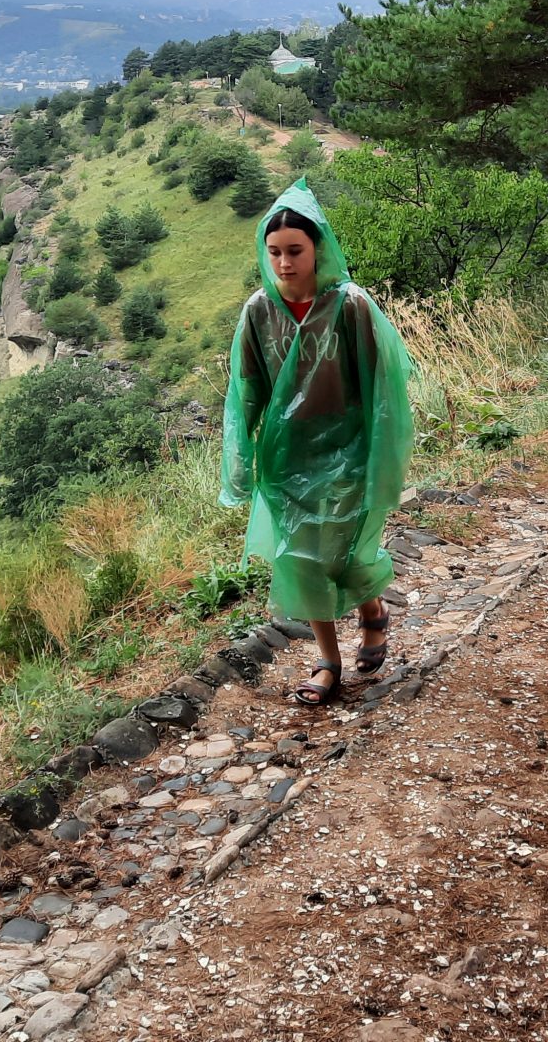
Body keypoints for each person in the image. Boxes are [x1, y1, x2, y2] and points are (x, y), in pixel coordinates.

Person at [221, 179, 415, 706]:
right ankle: (328, 661)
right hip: (287, 455)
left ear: (318, 248)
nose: (285, 263)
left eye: (295, 251)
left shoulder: (350, 305)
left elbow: (381, 386)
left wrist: (382, 453)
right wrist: (239, 461)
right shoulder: (258, 311)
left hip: (349, 447)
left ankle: (372, 609)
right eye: (275, 252)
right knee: (301, 556)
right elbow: (246, 389)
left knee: (345, 547)